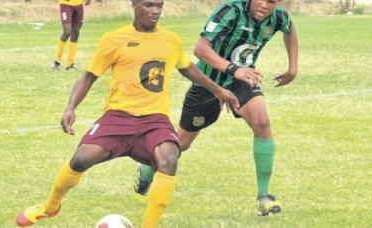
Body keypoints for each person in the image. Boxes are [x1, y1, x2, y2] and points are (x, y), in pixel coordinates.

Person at [15, 0, 239, 227]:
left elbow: (187, 67)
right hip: (118, 116)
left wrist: (218, 90)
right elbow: (89, 76)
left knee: (170, 158)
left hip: (155, 120)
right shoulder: (114, 39)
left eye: (159, 6)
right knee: (81, 159)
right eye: (149, 5)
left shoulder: (170, 40)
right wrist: (71, 107)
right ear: (134, 5)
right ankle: (50, 206)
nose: (155, 11)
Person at [133, 0, 298, 216]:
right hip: (208, 84)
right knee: (180, 144)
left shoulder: (278, 17)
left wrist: (292, 68)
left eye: (272, 2)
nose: (265, 5)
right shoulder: (230, 11)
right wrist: (233, 69)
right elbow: (200, 49)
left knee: (262, 122)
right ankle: (146, 169)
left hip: (242, 82)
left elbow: (290, 29)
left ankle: (263, 196)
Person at [51, 0, 91, 71]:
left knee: (75, 33)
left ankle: (69, 64)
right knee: (67, 31)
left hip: (78, 5)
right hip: (66, 4)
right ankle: (57, 61)